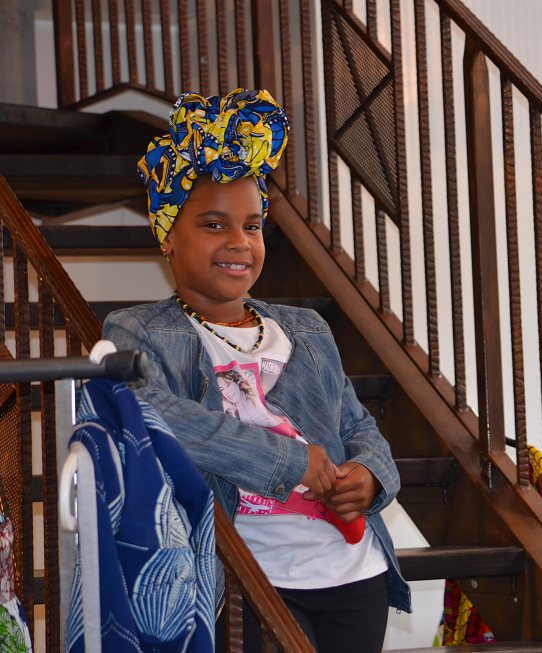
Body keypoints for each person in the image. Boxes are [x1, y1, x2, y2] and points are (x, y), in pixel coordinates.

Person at [104, 89, 410, 653]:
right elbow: (157, 417)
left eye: (252, 225)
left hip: (353, 573)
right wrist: (288, 460)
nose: (238, 243)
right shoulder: (138, 331)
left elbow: (357, 425)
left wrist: (371, 477)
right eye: (213, 224)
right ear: (168, 234)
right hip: (245, 576)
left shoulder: (304, 328)